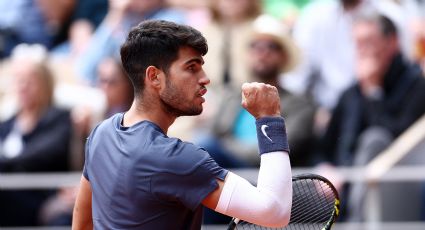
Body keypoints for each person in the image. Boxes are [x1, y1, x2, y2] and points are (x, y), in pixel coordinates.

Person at [72, 20, 292, 229]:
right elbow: (275, 212)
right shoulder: (177, 159)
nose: (205, 78)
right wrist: (269, 118)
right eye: (191, 68)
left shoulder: (101, 134)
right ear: (155, 77)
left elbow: (82, 225)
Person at [314, 12, 425, 221]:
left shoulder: (416, 86)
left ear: (392, 42)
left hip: (396, 189)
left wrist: (373, 93)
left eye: (368, 42)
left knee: (374, 139)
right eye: (357, 43)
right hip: (341, 188)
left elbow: (398, 143)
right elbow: (324, 147)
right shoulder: (351, 93)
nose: (362, 50)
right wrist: (326, 170)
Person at [196, 14, 315, 169]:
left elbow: (280, 149)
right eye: (255, 46)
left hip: (267, 175)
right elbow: (210, 136)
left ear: (284, 56)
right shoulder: (231, 96)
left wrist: (225, 147)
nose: (262, 52)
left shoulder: (300, 105)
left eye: (272, 46)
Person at [0, 44, 73, 226]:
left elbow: (40, 155)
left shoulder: (59, 119)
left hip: (40, 199)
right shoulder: (6, 124)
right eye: (18, 79)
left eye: (30, 80)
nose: (23, 86)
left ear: (44, 82)